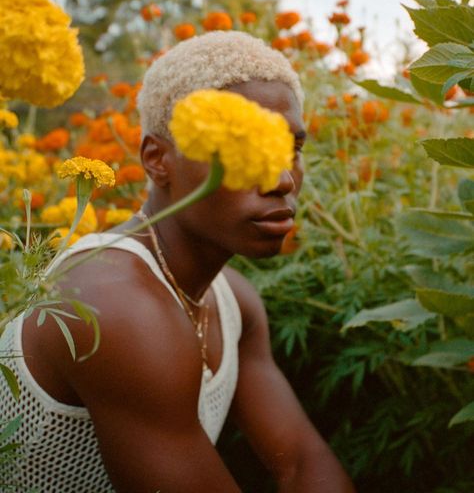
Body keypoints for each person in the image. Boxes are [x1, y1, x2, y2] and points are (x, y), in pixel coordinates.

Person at [0, 31, 355, 492]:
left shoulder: (235, 303)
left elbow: (302, 463)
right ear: (157, 159)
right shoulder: (112, 301)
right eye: (242, 147)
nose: (283, 179)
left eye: (292, 148)